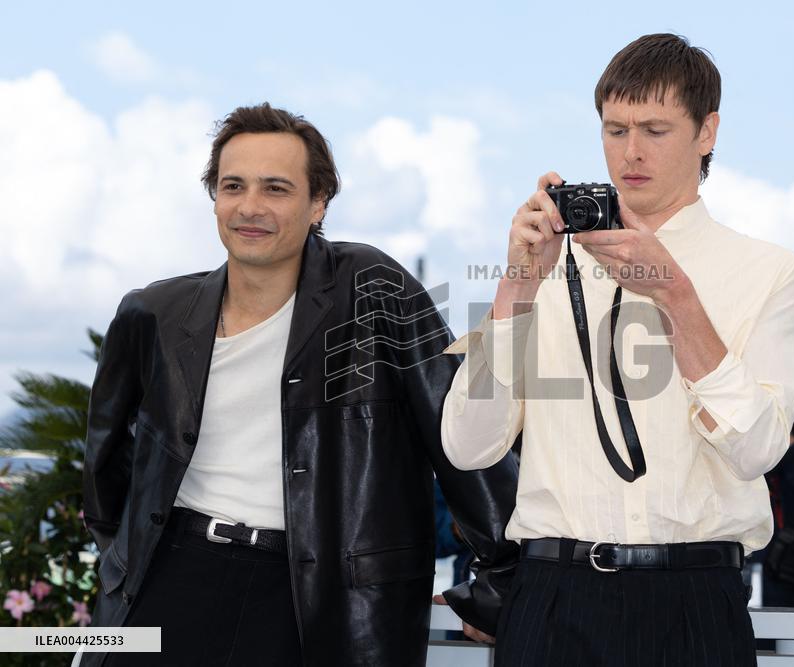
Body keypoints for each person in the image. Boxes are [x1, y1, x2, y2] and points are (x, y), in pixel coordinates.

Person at [82, 103, 518, 667]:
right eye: (232, 185)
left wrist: (500, 585)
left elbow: (460, 435)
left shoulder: (374, 291)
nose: (250, 207)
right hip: (170, 579)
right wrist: (125, 564)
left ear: (319, 204)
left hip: (313, 597)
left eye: (276, 188)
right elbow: (105, 466)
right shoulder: (155, 313)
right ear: (214, 196)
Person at [441, 34, 794, 666]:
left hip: (697, 600)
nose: (630, 153)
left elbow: (757, 451)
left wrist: (678, 299)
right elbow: (467, 445)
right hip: (553, 594)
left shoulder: (768, 271)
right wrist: (518, 286)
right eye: (615, 129)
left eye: (655, 130)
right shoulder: (546, 263)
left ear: (707, 132)